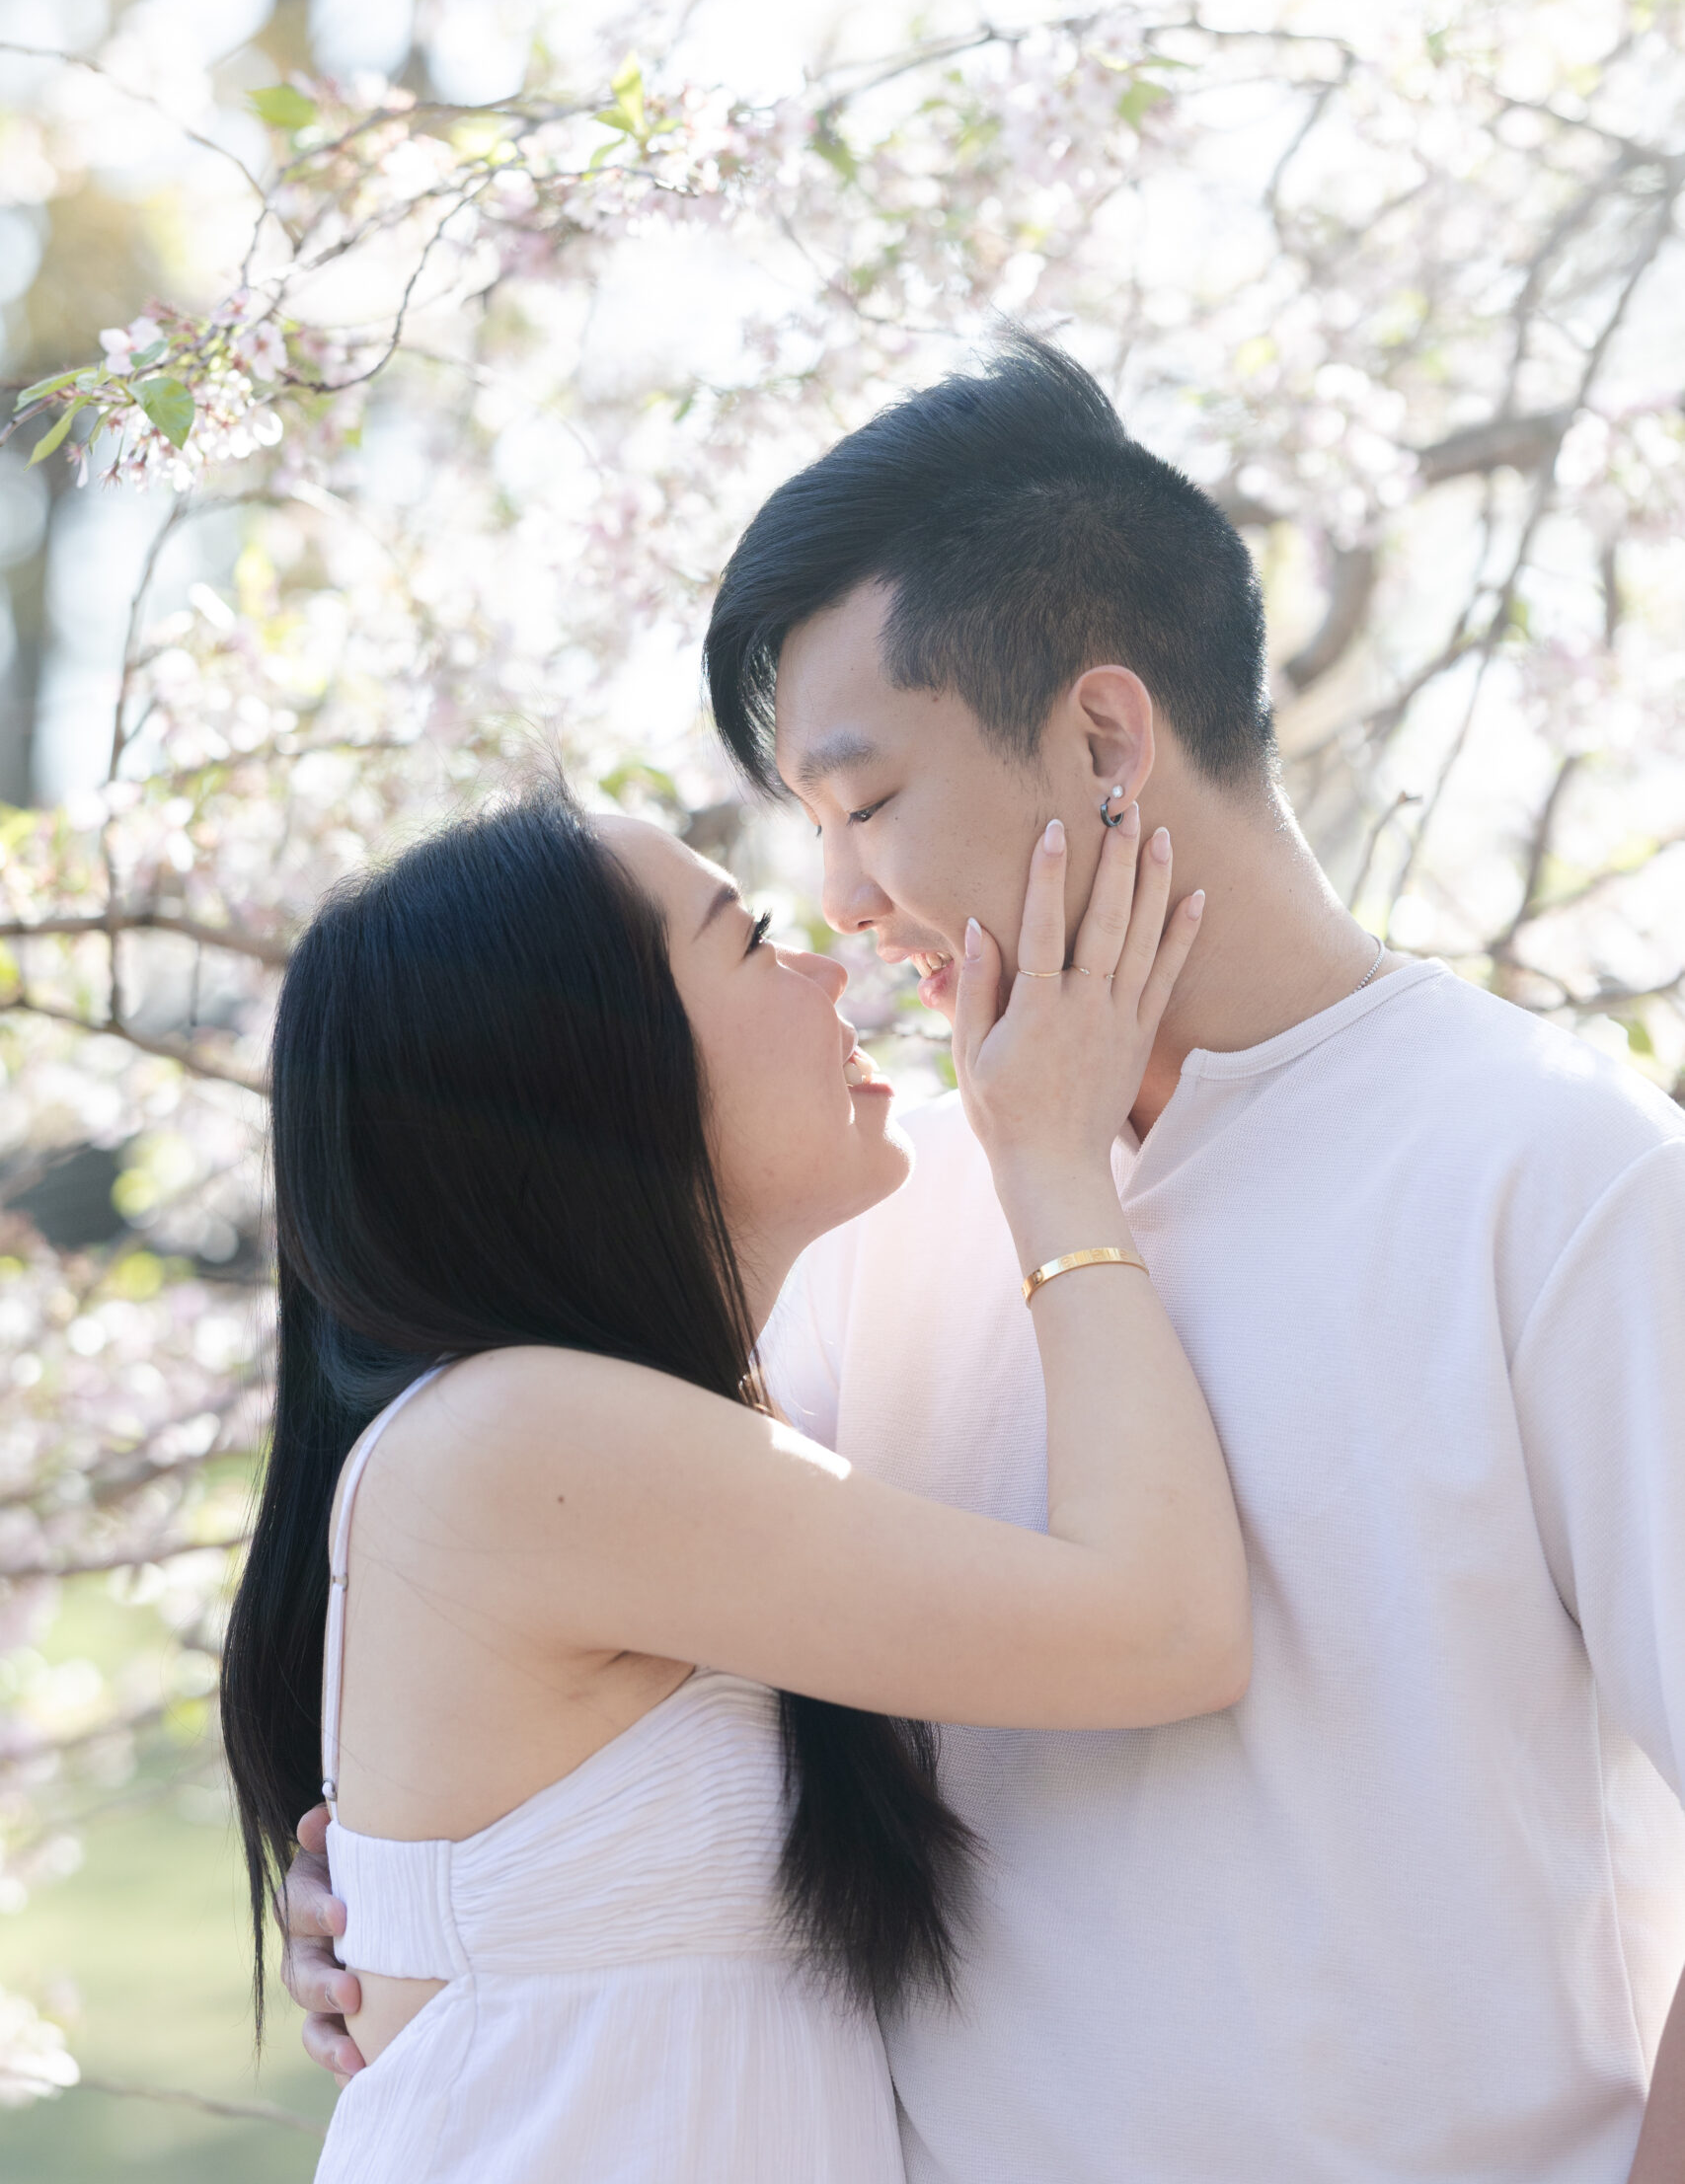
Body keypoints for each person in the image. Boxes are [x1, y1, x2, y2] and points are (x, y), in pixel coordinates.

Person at [281, 335, 1685, 2183]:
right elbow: (675, 1709)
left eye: (864, 806)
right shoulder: (886, 1212)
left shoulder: (1559, 1177)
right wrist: (413, 1885)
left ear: (1105, 739)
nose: (845, 911)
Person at [224, 769, 1247, 2184]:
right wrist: (1058, 1165)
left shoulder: (664, 1430)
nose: (829, 962)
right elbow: (1168, 1629)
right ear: (592, 1072)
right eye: (754, 938)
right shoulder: (529, 1439)